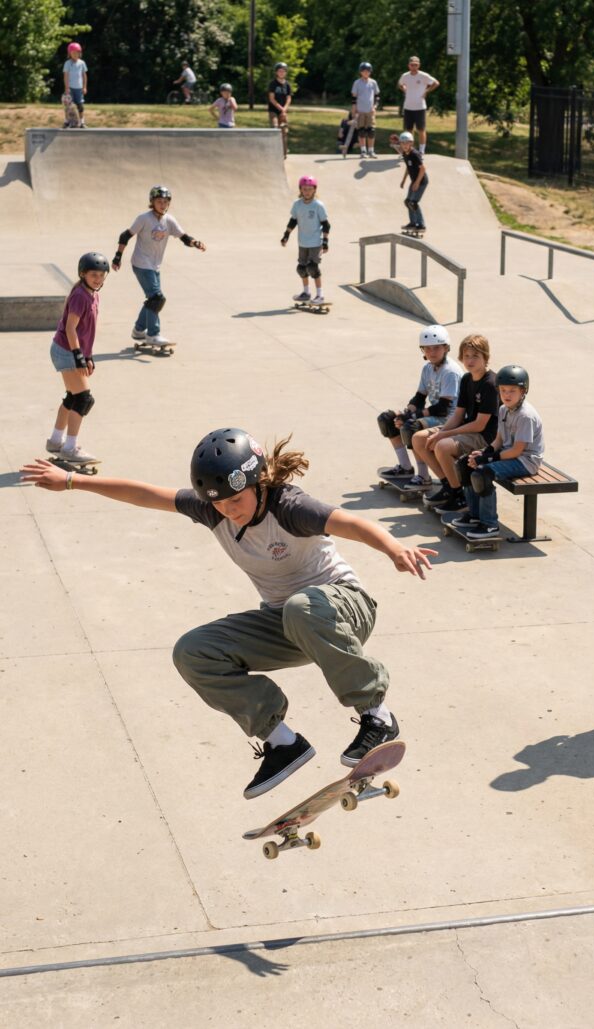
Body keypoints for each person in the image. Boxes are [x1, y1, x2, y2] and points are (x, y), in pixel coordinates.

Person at [20, 431, 436, 799]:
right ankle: (282, 742)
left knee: (301, 606)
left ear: (258, 484)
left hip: (344, 607)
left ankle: (377, 715)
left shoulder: (289, 506)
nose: (228, 511)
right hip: (288, 623)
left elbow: (350, 523)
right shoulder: (211, 509)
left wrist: (394, 549)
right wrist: (72, 481)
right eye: (218, 504)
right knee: (193, 651)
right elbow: (145, 493)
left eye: (236, 500)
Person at [455, 365, 544, 540]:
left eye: (512, 391)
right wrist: (484, 452)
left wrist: (488, 459)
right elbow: (499, 440)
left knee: (483, 473)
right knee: (465, 463)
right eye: (503, 390)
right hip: (509, 454)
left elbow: (517, 450)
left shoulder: (525, 416)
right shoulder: (503, 409)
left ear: (523, 391)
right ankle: (474, 515)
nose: (507, 395)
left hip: (526, 461)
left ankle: (489, 525)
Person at [111, 185, 206, 348]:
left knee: (153, 299)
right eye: (159, 201)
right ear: (152, 202)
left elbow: (183, 237)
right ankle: (153, 334)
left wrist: (195, 243)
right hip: (141, 263)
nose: (163, 205)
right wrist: (118, 257)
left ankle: (138, 330)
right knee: (157, 298)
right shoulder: (144, 218)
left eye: (165, 202)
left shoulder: (169, 220)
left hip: (154, 265)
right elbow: (125, 236)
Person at [411, 334, 498, 512]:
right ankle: (448, 486)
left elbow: (480, 425)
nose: (470, 361)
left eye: (475, 356)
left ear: (485, 357)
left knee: (442, 446)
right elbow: (458, 415)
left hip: (486, 437)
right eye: (466, 356)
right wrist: (440, 432)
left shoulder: (490, 383)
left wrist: (444, 434)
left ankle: (459, 496)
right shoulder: (466, 379)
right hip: (467, 429)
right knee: (419, 439)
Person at [45, 252, 109, 466]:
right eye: (93, 275)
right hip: (66, 350)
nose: (98, 279)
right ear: (83, 274)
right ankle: (70, 448)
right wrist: (79, 357)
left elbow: (86, 331)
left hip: (69, 349)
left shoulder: (93, 294)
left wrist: (88, 356)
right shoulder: (80, 296)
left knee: (73, 397)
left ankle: (55, 441)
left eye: (101, 275)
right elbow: (71, 328)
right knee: (83, 399)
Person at [377, 324, 463, 483]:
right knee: (388, 419)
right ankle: (405, 467)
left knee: (411, 427)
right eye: (427, 348)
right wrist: (407, 413)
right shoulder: (428, 368)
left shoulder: (450, 372)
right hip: (437, 414)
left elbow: (442, 408)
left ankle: (423, 476)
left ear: (446, 348)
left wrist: (412, 417)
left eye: (436, 348)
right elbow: (419, 398)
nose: (431, 352)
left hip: (450, 419)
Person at [281, 175, 330, 307]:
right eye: (304, 189)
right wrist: (286, 235)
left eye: (309, 189)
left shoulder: (318, 205)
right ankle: (306, 293)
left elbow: (326, 225)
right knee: (302, 269)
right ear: (300, 190)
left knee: (313, 268)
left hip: (315, 242)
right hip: (302, 242)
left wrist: (325, 241)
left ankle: (320, 295)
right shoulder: (297, 205)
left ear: (314, 190)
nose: (307, 192)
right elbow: (293, 221)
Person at [398, 55, 439, 154]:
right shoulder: (405, 76)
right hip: (408, 107)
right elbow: (400, 84)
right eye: (412, 65)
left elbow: (436, 83)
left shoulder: (423, 75)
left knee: (421, 129)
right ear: (409, 65)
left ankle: (421, 150)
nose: (414, 67)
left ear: (419, 65)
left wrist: (427, 91)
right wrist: (404, 89)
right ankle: (409, 150)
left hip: (420, 107)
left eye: (416, 65)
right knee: (408, 130)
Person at [398, 131, 428, 232]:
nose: (404, 146)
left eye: (407, 143)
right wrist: (403, 180)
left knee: (413, 202)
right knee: (408, 202)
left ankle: (421, 225)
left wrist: (417, 183)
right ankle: (413, 223)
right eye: (402, 143)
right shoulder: (405, 154)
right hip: (414, 181)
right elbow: (408, 167)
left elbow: (423, 169)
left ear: (411, 143)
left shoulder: (415, 154)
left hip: (421, 181)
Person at [351, 62, 380, 158]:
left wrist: (375, 107)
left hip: (370, 111)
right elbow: (354, 98)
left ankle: (371, 151)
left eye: (368, 71)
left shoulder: (373, 82)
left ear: (370, 72)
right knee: (361, 131)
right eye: (364, 71)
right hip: (360, 111)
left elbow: (377, 96)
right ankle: (363, 151)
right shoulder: (357, 83)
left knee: (371, 131)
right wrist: (354, 110)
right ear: (360, 72)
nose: (366, 72)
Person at [268, 62, 292, 157]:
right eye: (279, 71)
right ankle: (273, 151)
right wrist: (281, 108)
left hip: (283, 111)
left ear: (286, 72)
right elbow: (271, 98)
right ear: (276, 72)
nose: (281, 73)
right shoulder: (273, 84)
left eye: (283, 71)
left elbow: (289, 98)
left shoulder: (287, 85)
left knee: (283, 131)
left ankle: (283, 153)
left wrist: (284, 109)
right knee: (274, 128)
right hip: (274, 110)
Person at [63, 42, 88, 129]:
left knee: (80, 106)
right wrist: (67, 87)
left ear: (80, 53)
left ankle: (82, 122)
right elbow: (66, 76)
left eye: (77, 52)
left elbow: (84, 76)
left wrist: (84, 87)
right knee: (68, 106)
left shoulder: (82, 63)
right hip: (70, 88)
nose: (75, 54)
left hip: (79, 89)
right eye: (73, 53)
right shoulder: (67, 63)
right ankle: (66, 122)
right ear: (69, 53)